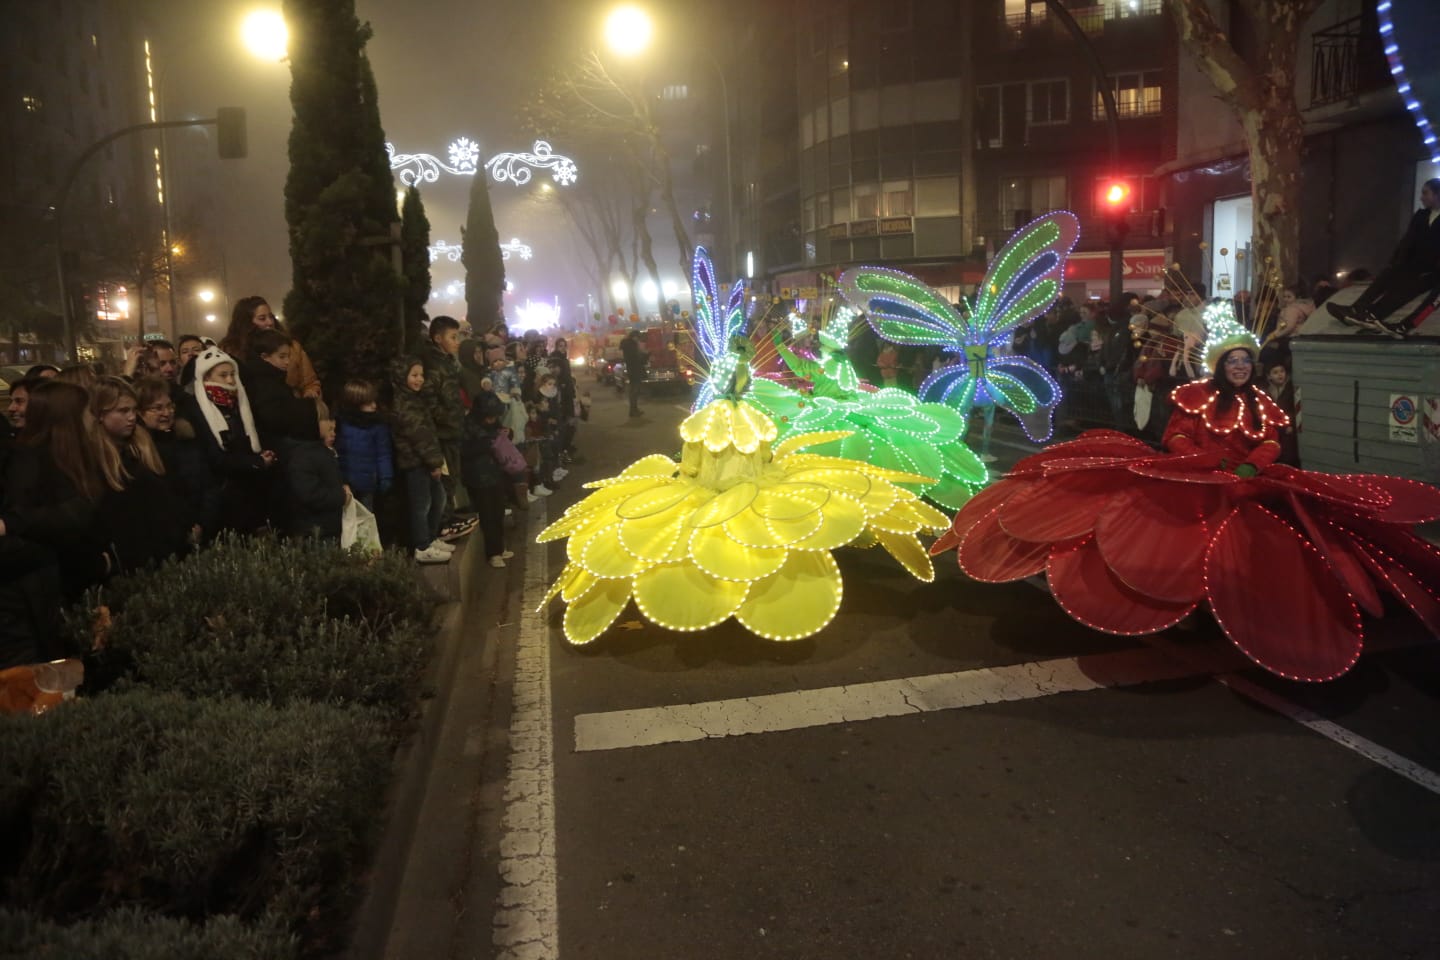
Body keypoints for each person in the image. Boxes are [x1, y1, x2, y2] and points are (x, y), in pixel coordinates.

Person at [936, 299, 1440, 683]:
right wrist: (1198, 458)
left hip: (1245, 481)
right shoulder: (1196, 396)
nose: (1240, 368)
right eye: (1234, 362)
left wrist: (1251, 464)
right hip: (1191, 475)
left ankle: (1248, 609)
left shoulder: (1263, 402)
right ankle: (1180, 609)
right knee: (1176, 534)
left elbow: (1271, 442)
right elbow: (1175, 432)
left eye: (1246, 362)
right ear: (1221, 366)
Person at [0, 381, 111, 665]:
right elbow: (70, 520)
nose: (93, 419)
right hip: (28, 603)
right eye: (88, 412)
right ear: (69, 419)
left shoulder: (72, 460)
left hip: (63, 592)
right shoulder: (27, 463)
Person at [89, 377, 192, 571]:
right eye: (122, 411)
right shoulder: (94, 459)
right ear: (100, 414)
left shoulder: (142, 447)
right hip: (128, 561)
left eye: (133, 410)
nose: (132, 417)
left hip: (161, 555)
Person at [179, 347, 277, 537]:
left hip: (247, 493)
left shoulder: (238, 405)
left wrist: (261, 456)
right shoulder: (195, 410)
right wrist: (256, 463)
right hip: (220, 499)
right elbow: (214, 457)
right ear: (206, 377)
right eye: (223, 375)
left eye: (232, 374)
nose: (230, 381)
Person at [1326, 178, 1440, 336]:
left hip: (1431, 270)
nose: (1421, 197)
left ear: (1437, 194)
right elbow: (1407, 241)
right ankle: (1357, 309)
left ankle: (1374, 315)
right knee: (1387, 275)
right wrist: (1396, 261)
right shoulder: (1421, 215)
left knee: (1406, 289)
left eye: (1425, 193)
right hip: (1413, 264)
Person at [391, 357, 452, 565]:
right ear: (402, 377)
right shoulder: (404, 403)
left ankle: (431, 538)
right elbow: (419, 435)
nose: (419, 380)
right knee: (422, 505)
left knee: (438, 499)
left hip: (425, 461)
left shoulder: (415, 399)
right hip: (415, 463)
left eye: (421, 375)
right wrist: (434, 462)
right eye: (414, 375)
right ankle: (422, 546)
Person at [135, 377, 209, 539]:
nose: (167, 413)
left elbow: (203, 481)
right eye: (158, 408)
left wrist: (202, 521)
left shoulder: (185, 438)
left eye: (169, 406)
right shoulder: (141, 450)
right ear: (140, 412)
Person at [421, 316, 473, 538]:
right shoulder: (433, 367)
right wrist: (450, 419)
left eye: (458, 336)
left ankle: (448, 519)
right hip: (442, 434)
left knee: (452, 479)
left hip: (452, 431)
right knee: (445, 481)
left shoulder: (448, 362)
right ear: (437, 338)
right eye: (453, 337)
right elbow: (430, 403)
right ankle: (443, 525)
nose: (457, 341)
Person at [219, 296, 321, 398]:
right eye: (262, 318)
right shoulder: (231, 350)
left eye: (271, 317)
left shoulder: (292, 347)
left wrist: (310, 395)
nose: (270, 322)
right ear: (246, 322)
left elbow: (310, 382)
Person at [242, 329, 320, 451]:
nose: (287, 361)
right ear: (264, 357)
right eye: (282, 357)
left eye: (288, 356)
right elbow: (275, 419)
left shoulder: (273, 377)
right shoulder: (262, 382)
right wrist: (310, 409)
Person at [460, 394, 514, 568]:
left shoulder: (492, 422)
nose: (493, 420)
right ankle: (493, 553)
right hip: (478, 477)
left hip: (495, 473)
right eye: (490, 416)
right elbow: (464, 451)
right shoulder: (467, 425)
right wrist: (486, 444)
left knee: (498, 511)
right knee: (487, 515)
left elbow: (499, 436)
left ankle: (499, 547)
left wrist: (508, 433)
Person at [283, 403, 349, 541]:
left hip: (328, 527)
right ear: (310, 422)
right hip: (315, 531)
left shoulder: (319, 450)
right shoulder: (302, 456)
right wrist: (340, 496)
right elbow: (310, 494)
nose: (330, 423)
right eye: (324, 419)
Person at [335, 379, 394, 512]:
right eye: (368, 403)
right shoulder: (341, 424)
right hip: (345, 481)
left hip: (368, 483)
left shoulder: (378, 426)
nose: (374, 406)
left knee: (367, 516)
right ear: (356, 404)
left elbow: (383, 453)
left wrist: (385, 476)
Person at [1263, 360, 1301, 467]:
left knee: (1288, 454)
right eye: (1275, 372)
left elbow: (1295, 409)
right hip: (1273, 428)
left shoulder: (1291, 389)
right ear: (1269, 376)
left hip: (1287, 428)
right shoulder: (1266, 391)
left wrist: (1290, 424)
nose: (1280, 374)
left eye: (1282, 371)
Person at [620, 328, 647, 417]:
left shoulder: (627, 345)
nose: (638, 339)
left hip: (631, 369)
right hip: (635, 369)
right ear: (634, 337)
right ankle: (633, 410)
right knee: (635, 391)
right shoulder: (632, 345)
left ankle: (634, 410)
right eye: (638, 338)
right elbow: (636, 358)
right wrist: (646, 355)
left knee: (634, 390)